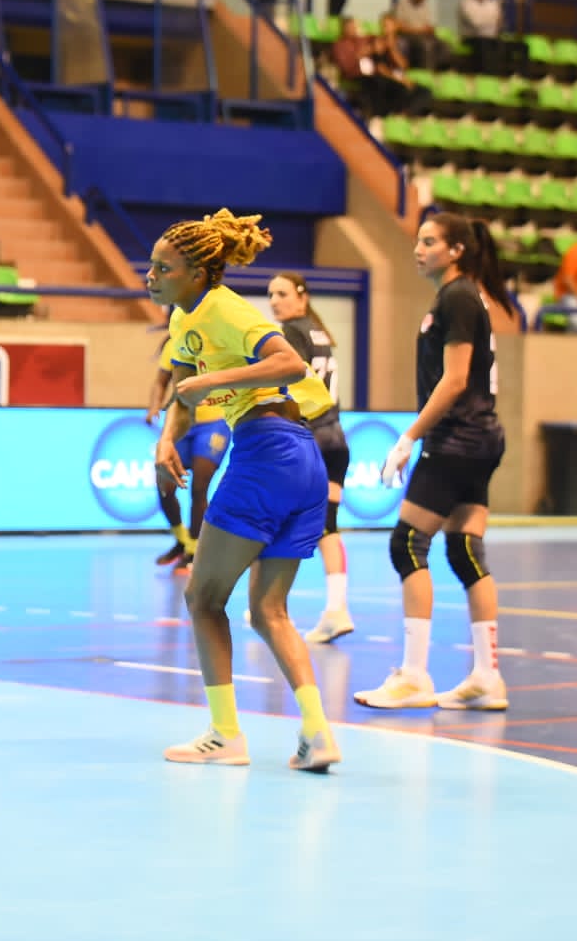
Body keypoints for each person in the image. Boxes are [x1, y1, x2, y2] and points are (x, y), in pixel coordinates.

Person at [148, 209, 340, 773]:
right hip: (301, 458)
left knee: (203, 599)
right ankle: (317, 734)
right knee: (267, 610)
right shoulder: (182, 321)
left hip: (268, 453)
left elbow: (290, 362)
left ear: (199, 274)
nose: (151, 276)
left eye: (164, 268)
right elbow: (183, 390)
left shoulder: (226, 308)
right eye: (152, 266)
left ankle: (226, 735)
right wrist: (167, 438)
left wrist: (213, 380)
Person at [355, 213, 518, 712]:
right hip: (481, 438)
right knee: (465, 551)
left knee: (407, 544)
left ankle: (414, 675)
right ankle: (487, 677)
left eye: (430, 242)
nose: (418, 249)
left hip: (457, 439)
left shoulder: (458, 297)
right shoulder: (463, 297)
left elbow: (455, 379)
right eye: (418, 241)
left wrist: (409, 436)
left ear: (457, 250)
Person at [266, 271, 352, 644]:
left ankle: (269, 604)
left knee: (277, 518)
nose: (274, 301)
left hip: (309, 440)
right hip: (336, 442)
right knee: (326, 526)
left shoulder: (292, 333)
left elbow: (287, 387)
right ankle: (336, 609)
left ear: (302, 297)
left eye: (282, 293)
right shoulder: (321, 333)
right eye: (271, 294)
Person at [147, 331, 230, 574]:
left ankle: (194, 551)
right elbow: (161, 381)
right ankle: (181, 540)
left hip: (214, 423)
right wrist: (154, 407)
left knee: (199, 487)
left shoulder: (221, 341)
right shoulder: (174, 344)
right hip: (181, 422)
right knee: (164, 485)